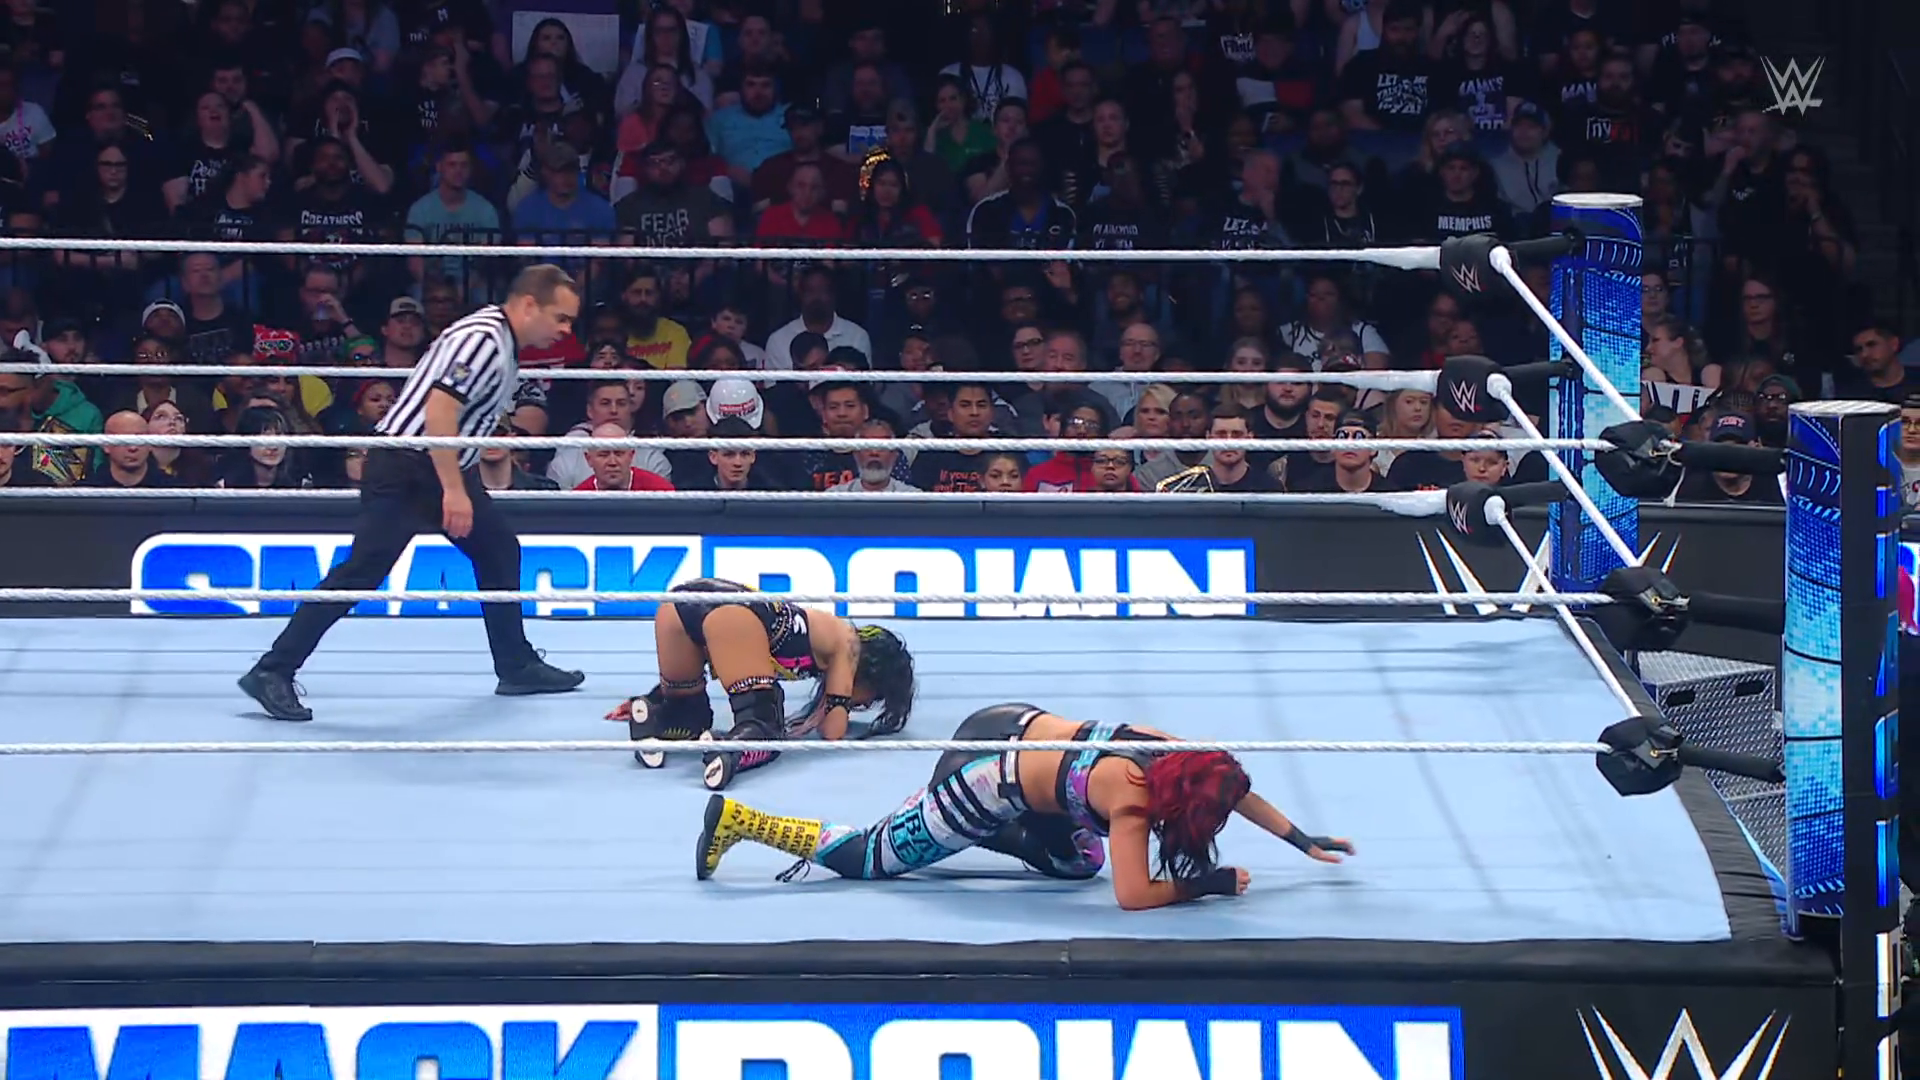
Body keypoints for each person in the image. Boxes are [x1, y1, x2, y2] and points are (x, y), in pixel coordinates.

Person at [239, 265, 587, 722]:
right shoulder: (483, 340)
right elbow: (439, 410)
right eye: (560, 317)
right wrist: (454, 491)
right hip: (407, 467)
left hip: (438, 463)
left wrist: (458, 481)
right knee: (363, 570)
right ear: (528, 305)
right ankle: (272, 669)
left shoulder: (499, 339)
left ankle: (516, 664)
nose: (565, 330)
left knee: (500, 549)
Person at [696, 704, 1354, 909]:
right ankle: (742, 822)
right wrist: (1207, 882)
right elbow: (1133, 896)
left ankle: (1000, 828)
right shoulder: (1131, 799)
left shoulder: (1175, 754)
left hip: (1014, 724)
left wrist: (1302, 840)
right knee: (871, 857)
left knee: (1080, 863)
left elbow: (1234, 790)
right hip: (982, 778)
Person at [607, 579, 916, 790]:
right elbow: (832, 732)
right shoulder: (848, 643)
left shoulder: (823, 634)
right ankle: (728, 752)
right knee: (763, 726)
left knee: (689, 713)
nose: (864, 705)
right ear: (875, 672)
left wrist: (655, 698)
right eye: (874, 697)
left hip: (677, 608)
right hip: (733, 615)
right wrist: (841, 703)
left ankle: (656, 718)